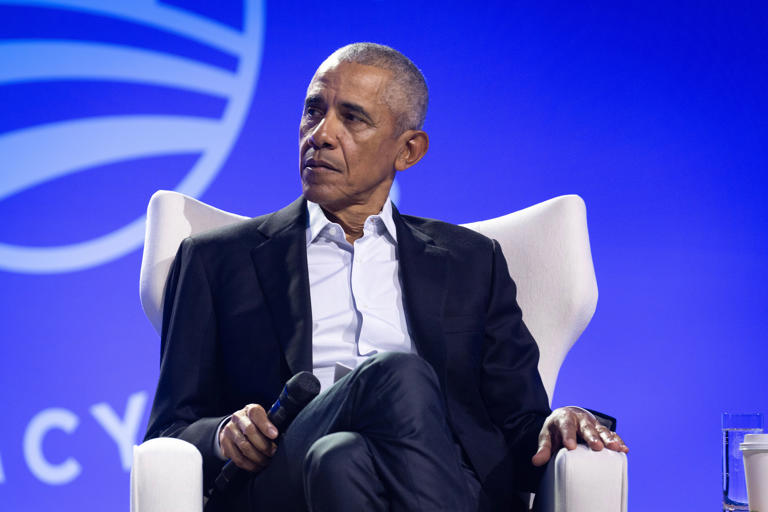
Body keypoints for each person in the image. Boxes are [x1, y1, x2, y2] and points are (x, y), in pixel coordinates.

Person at [144, 43, 628, 511]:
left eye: (352, 118)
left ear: (408, 150)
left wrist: (560, 419)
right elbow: (170, 428)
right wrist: (223, 433)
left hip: (435, 476)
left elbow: (519, 421)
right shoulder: (218, 259)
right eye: (313, 111)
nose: (321, 134)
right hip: (281, 475)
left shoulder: (470, 262)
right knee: (397, 374)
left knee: (342, 458)